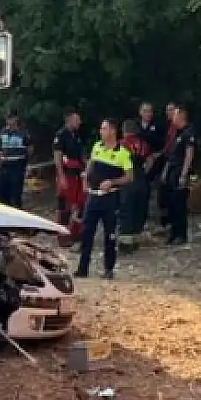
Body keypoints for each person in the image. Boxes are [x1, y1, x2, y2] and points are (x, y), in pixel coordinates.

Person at [76, 119, 133, 279]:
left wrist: (113, 182)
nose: (101, 131)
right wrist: (85, 180)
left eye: (104, 128)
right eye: (101, 128)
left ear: (113, 131)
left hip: (110, 198)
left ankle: (108, 269)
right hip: (93, 197)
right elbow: (90, 166)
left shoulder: (122, 152)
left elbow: (129, 177)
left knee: (110, 235)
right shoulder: (97, 147)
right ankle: (82, 268)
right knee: (87, 232)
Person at [161, 103, 197, 245]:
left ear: (182, 115)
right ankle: (173, 233)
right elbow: (171, 154)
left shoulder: (189, 132)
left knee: (179, 203)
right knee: (170, 203)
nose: (172, 118)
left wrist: (184, 174)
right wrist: (165, 171)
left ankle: (181, 234)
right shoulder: (177, 132)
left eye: (175, 114)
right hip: (171, 171)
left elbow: (189, 154)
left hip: (180, 171)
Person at [53, 110, 87, 234]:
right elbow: (58, 157)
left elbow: (81, 155)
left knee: (79, 202)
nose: (80, 122)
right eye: (77, 120)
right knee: (64, 204)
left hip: (78, 173)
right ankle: (62, 233)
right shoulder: (61, 135)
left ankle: (76, 232)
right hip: (67, 173)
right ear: (70, 120)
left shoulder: (77, 135)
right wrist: (61, 176)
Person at [119, 118, 152, 237]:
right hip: (141, 179)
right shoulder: (143, 144)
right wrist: (145, 172)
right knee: (140, 208)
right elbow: (150, 159)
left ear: (124, 130)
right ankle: (137, 235)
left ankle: (126, 242)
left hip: (127, 180)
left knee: (126, 209)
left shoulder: (122, 144)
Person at [137, 101, 166, 225]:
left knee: (156, 191)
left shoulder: (158, 126)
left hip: (156, 162)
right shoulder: (135, 126)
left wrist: (156, 154)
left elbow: (164, 144)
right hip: (139, 163)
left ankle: (157, 218)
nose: (148, 114)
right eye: (145, 111)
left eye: (150, 111)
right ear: (140, 112)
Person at [0, 109, 29, 208]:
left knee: (15, 194)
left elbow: (30, 148)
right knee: (1, 193)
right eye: (7, 118)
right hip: (4, 166)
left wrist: (24, 161)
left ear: (16, 119)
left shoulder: (23, 133)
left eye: (11, 118)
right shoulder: (2, 132)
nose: (8, 120)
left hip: (17, 166)